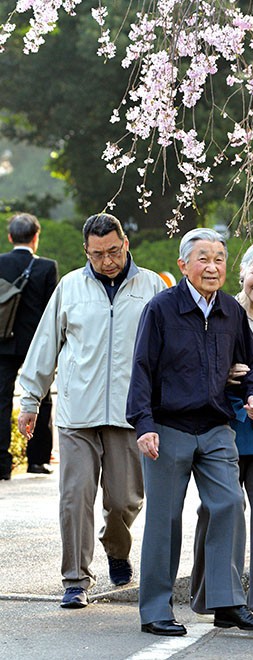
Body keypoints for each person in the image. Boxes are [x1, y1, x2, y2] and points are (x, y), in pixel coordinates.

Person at [126, 228, 253, 637]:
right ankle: (156, 609)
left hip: (215, 427)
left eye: (219, 259)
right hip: (167, 428)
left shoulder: (231, 310)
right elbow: (141, 369)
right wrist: (143, 424)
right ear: (183, 265)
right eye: (203, 258)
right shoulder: (161, 309)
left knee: (228, 505)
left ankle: (226, 603)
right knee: (164, 519)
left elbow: (252, 364)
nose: (213, 267)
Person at [17, 213, 166, 608]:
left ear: (125, 244)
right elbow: (45, 345)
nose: (107, 261)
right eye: (98, 254)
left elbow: (165, 351)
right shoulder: (70, 287)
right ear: (87, 251)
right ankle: (75, 579)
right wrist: (30, 401)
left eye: (113, 251)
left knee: (125, 500)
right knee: (74, 497)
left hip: (129, 414)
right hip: (77, 414)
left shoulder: (150, 285)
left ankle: (117, 549)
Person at [190, 240, 253, 633]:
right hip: (224, 424)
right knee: (220, 510)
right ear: (242, 274)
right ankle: (216, 596)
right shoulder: (218, 311)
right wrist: (223, 376)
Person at [0, 213, 58, 480]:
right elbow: (51, 311)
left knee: (1, 400)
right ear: (36, 237)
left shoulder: (0, 263)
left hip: (3, 341)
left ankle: (2, 463)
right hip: (36, 342)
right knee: (41, 398)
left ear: (10, 237)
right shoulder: (46, 267)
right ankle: (38, 460)